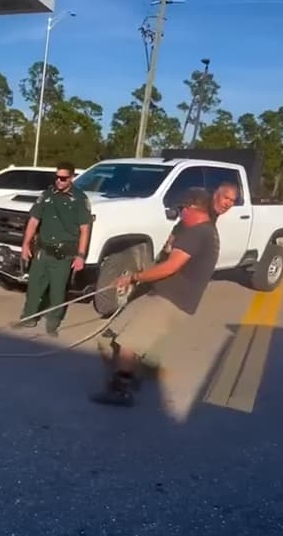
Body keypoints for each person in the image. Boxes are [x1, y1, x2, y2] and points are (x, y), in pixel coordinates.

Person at [92, 186, 221, 406]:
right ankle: (134, 374)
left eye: (181, 209)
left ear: (192, 207)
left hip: (171, 300)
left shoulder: (199, 233)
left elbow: (171, 266)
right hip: (158, 292)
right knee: (110, 337)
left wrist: (134, 277)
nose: (179, 213)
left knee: (129, 344)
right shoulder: (191, 229)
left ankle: (121, 390)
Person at [18, 161, 91, 336]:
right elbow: (34, 220)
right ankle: (29, 317)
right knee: (34, 286)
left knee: (57, 292)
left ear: (72, 178)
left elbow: (84, 229)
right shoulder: (47, 195)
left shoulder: (80, 199)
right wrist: (26, 244)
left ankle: (53, 323)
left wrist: (81, 256)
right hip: (42, 251)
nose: (59, 181)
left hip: (63, 254)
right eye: (57, 177)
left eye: (63, 178)